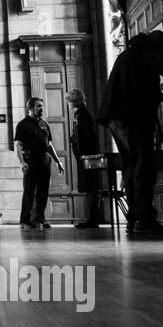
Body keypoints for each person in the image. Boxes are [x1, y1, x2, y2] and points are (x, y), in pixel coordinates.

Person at [98, 29, 163, 234]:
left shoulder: (127, 53)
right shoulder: (147, 51)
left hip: (116, 117)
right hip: (133, 116)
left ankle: (133, 218)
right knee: (143, 164)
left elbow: (133, 85)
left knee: (131, 165)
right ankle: (145, 219)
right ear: (159, 44)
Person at [14, 96, 63, 229]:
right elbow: (18, 145)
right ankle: (25, 220)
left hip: (44, 160)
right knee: (29, 191)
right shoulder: (22, 124)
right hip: (30, 160)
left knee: (43, 191)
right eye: (38, 106)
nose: (41, 108)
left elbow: (49, 145)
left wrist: (58, 161)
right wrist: (22, 162)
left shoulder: (44, 124)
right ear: (30, 108)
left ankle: (40, 218)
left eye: (42, 106)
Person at [68, 88, 101, 229]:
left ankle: (92, 220)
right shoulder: (80, 115)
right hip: (84, 156)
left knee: (91, 188)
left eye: (69, 100)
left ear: (74, 101)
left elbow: (88, 137)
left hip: (87, 157)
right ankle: (91, 219)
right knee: (88, 188)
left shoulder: (83, 116)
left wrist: (83, 153)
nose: (68, 103)